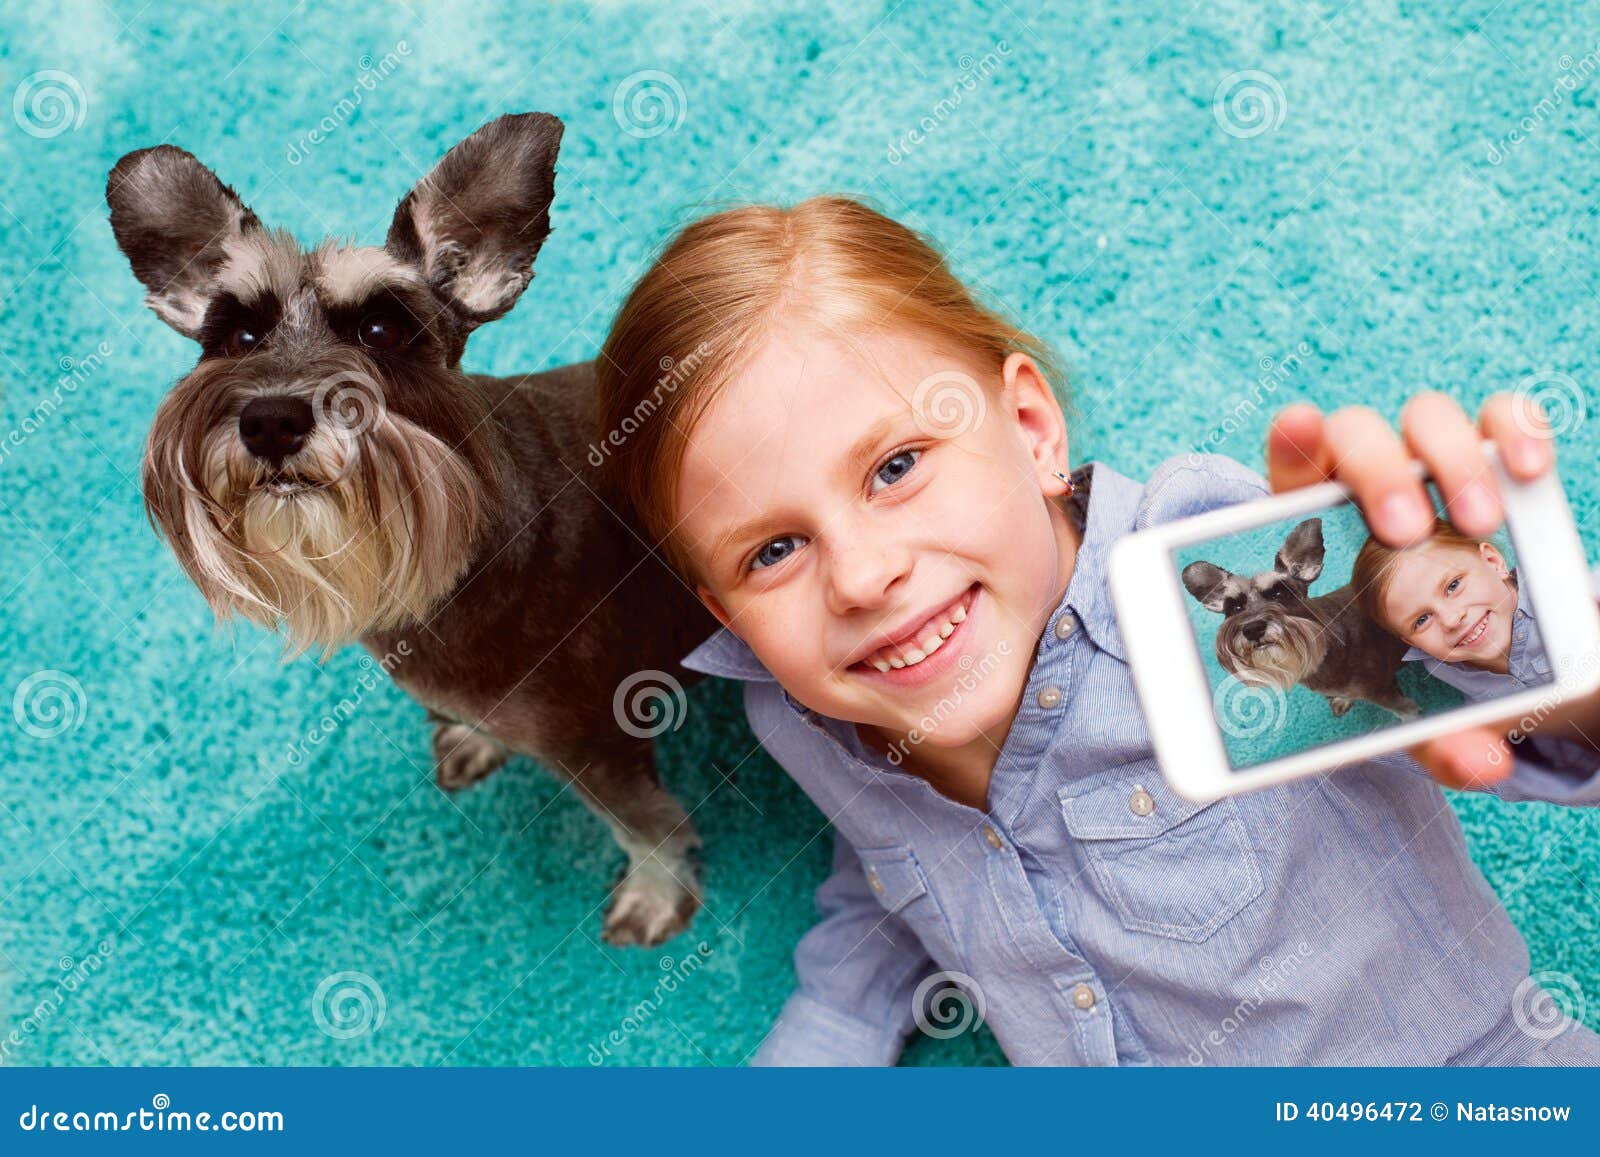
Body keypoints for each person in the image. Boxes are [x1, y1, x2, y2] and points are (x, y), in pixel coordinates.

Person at [594, 195, 1600, 1065]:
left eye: (896, 466)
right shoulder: (801, 710)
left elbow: (1480, 686)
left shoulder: (1202, 568)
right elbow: (903, 864)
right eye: (772, 551)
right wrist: (833, 1027)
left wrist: (1562, 655)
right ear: (727, 613)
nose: (862, 576)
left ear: (1031, 430)